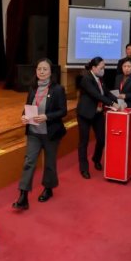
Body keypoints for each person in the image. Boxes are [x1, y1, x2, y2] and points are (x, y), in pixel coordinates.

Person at [12, 58, 67, 210]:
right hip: (34, 132)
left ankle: (48, 188)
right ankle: (23, 196)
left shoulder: (57, 89)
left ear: (51, 72)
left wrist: (46, 117)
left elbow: (63, 111)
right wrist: (24, 116)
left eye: (45, 69)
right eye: (39, 69)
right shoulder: (33, 88)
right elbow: (27, 107)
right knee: (29, 162)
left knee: (49, 163)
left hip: (50, 133)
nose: (41, 72)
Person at [77, 57, 119, 179]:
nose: (103, 70)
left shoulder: (100, 78)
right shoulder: (86, 79)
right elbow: (96, 95)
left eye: (104, 68)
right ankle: (84, 168)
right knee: (84, 142)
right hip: (85, 114)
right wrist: (112, 104)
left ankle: (96, 158)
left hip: (98, 113)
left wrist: (118, 101)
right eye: (101, 68)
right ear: (94, 68)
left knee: (101, 139)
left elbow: (106, 93)